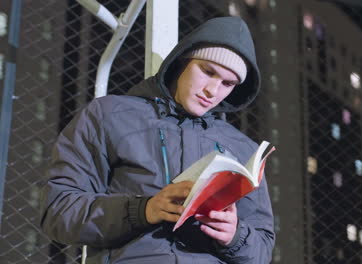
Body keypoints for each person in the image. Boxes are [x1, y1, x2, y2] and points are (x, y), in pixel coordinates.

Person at [40, 16, 275, 263]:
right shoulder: (109, 115)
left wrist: (234, 236)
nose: (212, 91)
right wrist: (144, 210)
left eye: (228, 83)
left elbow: (262, 251)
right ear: (183, 61)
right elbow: (58, 212)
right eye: (207, 71)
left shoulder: (242, 148)